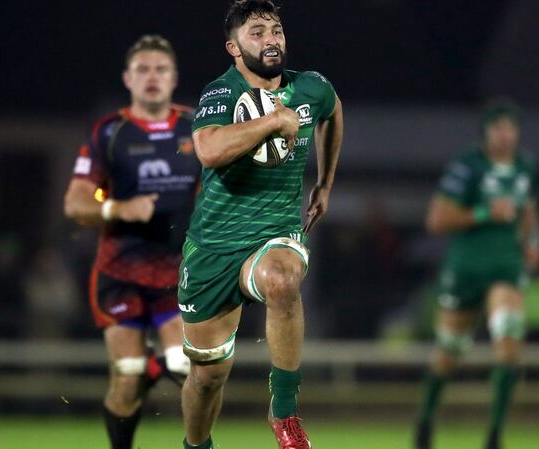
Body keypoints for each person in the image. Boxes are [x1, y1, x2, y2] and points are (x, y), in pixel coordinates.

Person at [177, 1, 343, 448]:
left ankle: (285, 411)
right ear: (233, 47)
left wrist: (325, 182)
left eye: (276, 30)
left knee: (283, 280)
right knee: (208, 375)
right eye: (257, 33)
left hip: (275, 233)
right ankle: (197, 445)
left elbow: (332, 110)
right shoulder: (221, 93)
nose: (271, 40)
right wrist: (272, 121)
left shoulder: (309, 88)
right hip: (213, 247)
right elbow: (208, 151)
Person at [63, 35, 199, 449]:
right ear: (128, 78)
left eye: (160, 69)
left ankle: (155, 377)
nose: (152, 77)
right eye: (143, 69)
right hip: (120, 271)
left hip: (176, 270)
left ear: (174, 78)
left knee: (185, 364)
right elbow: (75, 202)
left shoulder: (197, 127)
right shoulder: (111, 132)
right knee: (126, 377)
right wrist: (118, 210)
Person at [414, 100, 539, 449]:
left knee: (509, 339)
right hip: (466, 266)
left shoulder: (525, 166)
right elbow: (436, 220)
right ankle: (425, 421)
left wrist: (531, 240)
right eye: (498, 127)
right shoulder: (467, 166)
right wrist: (484, 212)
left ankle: (495, 433)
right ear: (486, 132)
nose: (505, 135)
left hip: (506, 266)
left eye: (510, 127)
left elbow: (528, 206)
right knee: (449, 352)